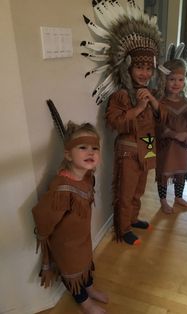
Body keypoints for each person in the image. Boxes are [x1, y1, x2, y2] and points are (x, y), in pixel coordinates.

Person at [32, 121, 108, 314]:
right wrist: (44, 233)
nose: (90, 153)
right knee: (71, 270)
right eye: (82, 148)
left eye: (94, 148)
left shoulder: (87, 177)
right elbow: (43, 214)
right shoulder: (62, 188)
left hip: (81, 237)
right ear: (68, 154)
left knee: (85, 261)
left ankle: (89, 287)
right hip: (66, 243)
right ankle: (84, 302)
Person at [106, 50, 161, 246]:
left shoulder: (152, 94)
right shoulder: (121, 95)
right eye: (139, 67)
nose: (144, 73)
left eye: (148, 69)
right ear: (129, 69)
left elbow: (165, 120)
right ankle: (123, 228)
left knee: (139, 189)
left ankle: (133, 218)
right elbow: (115, 122)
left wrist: (152, 102)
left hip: (147, 146)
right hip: (128, 150)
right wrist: (138, 108)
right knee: (126, 191)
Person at [156, 58, 187, 214]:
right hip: (166, 146)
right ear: (164, 80)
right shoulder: (160, 103)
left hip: (182, 146)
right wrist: (174, 134)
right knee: (164, 172)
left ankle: (178, 197)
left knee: (181, 170)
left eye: (180, 79)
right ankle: (163, 201)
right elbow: (158, 127)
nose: (176, 83)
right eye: (172, 79)